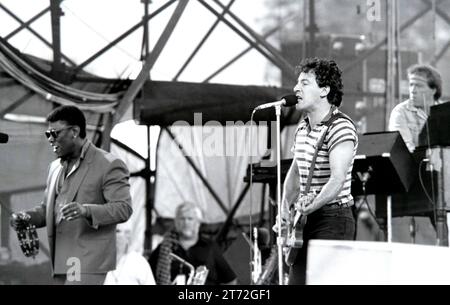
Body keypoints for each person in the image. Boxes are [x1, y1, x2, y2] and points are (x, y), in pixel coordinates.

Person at [10, 105, 133, 285]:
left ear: (74, 131)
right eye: (47, 135)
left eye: (55, 133)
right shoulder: (54, 168)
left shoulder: (109, 164)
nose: (50, 140)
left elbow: (123, 208)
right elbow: (48, 211)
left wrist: (86, 210)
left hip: (88, 260)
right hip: (60, 260)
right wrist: (27, 218)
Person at [279, 57, 358, 285]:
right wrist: (285, 206)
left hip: (333, 218)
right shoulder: (303, 126)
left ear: (324, 90)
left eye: (305, 83)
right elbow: (296, 171)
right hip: (304, 220)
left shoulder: (340, 126)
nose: (296, 88)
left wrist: (312, 205)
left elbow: (337, 179)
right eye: (297, 83)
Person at [149, 202, 237, 285]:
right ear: (175, 222)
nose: (186, 223)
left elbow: (230, 280)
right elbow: (147, 278)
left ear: (198, 223)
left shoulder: (210, 248)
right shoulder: (164, 249)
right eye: (182, 218)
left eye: (190, 219)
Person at [389, 64, 443, 153]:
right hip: (416, 165)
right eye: (411, 85)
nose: (413, 90)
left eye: (419, 86)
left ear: (433, 90)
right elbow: (405, 150)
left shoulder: (445, 112)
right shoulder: (400, 112)